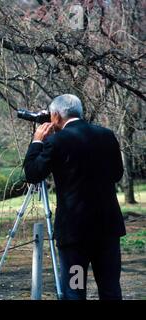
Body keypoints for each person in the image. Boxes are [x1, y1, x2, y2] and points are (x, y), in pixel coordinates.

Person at [23, 94, 126, 300]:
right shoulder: (106, 135)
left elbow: (33, 173)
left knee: (75, 290)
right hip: (107, 231)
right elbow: (117, 174)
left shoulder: (56, 141)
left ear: (56, 116)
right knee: (110, 289)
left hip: (75, 236)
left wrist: (36, 141)